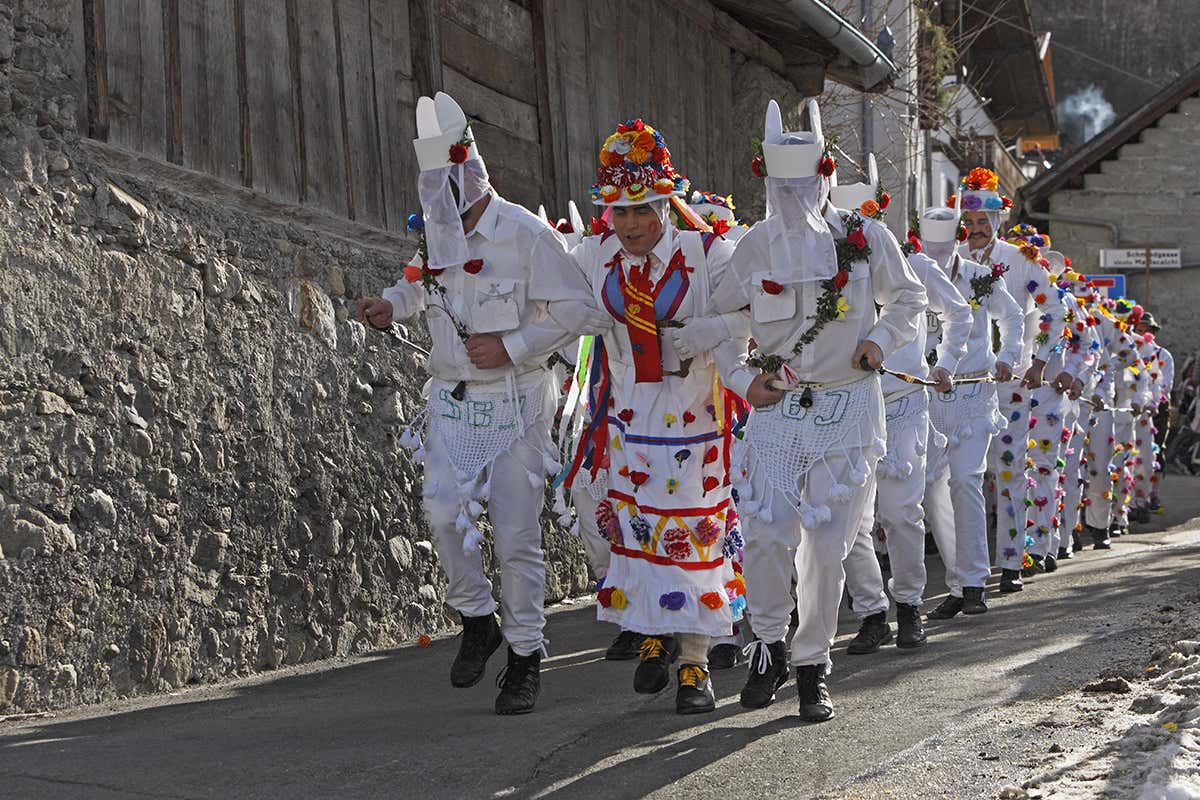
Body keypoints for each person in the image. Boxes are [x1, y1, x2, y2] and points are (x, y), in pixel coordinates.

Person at [357, 92, 603, 715]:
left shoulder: (526, 234)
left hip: (518, 402)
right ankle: (477, 618)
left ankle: (525, 654)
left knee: (516, 534)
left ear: (467, 175)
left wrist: (514, 345)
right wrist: (391, 305)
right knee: (443, 511)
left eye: (445, 190)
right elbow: (419, 284)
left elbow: (581, 311)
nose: (438, 206)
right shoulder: (437, 232)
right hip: (453, 399)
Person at [711, 99, 926, 721]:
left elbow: (909, 298)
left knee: (827, 548)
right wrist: (741, 378)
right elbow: (722, 320)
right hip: (778, 411)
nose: (793, 199)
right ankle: (769, 645)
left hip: (847, 407)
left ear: (825, 176)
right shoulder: (753, 247)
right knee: (766, 537)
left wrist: (879, 340)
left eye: (803, 186)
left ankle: (812, 664)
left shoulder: (866, 238)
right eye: (782, 188)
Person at [567, 118, 749, 715]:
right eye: (619, 212)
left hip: (696, 420)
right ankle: (652, 631)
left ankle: (696, 665)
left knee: (694, 537)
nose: (630, 224)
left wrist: (709, 331)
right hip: (629, 421)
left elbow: (762, 309)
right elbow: (552, 299)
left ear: (666, 204)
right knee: (638, 528)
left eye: (642, 210)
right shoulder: (595, 257)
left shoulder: (708, 254)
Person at [833, 156, 972, 653]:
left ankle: (909, 604)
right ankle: (872, 612)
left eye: (863, 218)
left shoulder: (915, 266)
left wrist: (945, 362)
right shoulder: (823, 268)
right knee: (849, 518)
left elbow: (958, 313)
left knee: (899, 513)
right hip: (847, 403)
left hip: (902, 402)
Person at [955, 171, 1065, 596]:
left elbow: (1053, 312)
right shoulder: (952, 258)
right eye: (969, 221)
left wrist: (1038, 363)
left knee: (1009, 471)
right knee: (963, 478)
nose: (976, 228)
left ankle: (1011, 561)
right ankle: (967, 570)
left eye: (983, 221)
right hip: (962, 383)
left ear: (997, 221)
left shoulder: (1021, 260)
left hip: (1012, 383)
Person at [917, 201, 1023, 619]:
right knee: (934, 491)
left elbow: (1012, 317)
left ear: (956, 241)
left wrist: (1008, 356)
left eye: (943, 248)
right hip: (927, 396)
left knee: (965, 480)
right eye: (930, 248)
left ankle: (976, 582)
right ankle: (958, 583)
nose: (937, 256)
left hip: (974, 392)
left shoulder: (980, 278)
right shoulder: (911, 274)